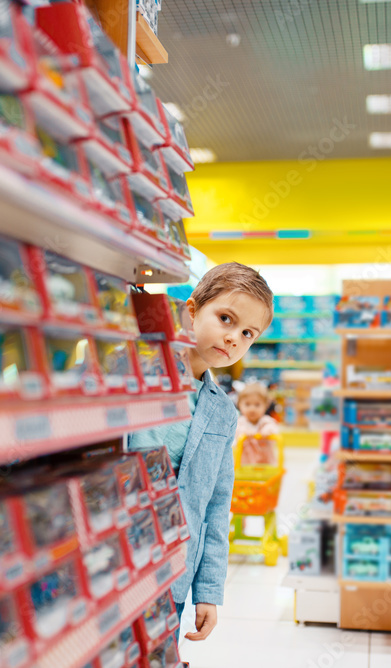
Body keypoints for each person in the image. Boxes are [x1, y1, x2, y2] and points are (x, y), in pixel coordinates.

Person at [128, 262, 274, 642]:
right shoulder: (138, 379)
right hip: (120, 558)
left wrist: (208, 591)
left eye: (247, 333)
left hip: (176, 572)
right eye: (225, 318)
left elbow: (216, 504)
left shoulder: (224, 412)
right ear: (192, 311)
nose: (233, 338)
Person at [235, 382, 280, 466]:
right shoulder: (239, 422)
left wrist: (267, 431)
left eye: (257, 405)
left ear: (266, 405)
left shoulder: (267, 421)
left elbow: (274, 429)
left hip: (265, 465)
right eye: (247, 404)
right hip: (245, 466)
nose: (252, 409)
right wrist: (246, 432)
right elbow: (236, 433)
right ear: (239, 404)